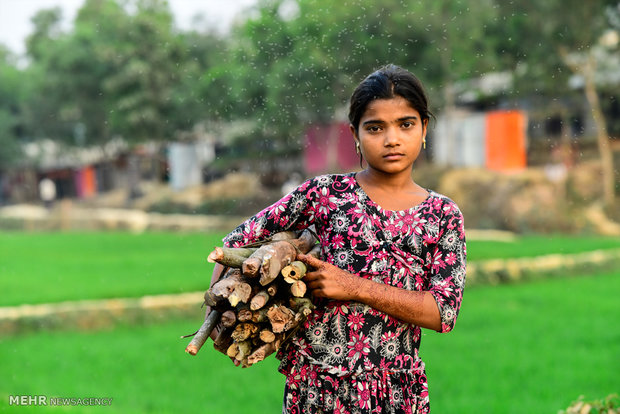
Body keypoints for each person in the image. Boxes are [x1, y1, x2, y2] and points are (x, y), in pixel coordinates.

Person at [210, 64, 466, 413]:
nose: (392, 139)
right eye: (375, 128)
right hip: (316, 391)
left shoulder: (442, 214)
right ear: (355, 135)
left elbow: (443, 312)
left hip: (393, 394)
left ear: (424, 129)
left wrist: (355, 286)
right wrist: (221, 315)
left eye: (405, 124)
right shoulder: (325, 194)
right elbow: (236, 243)